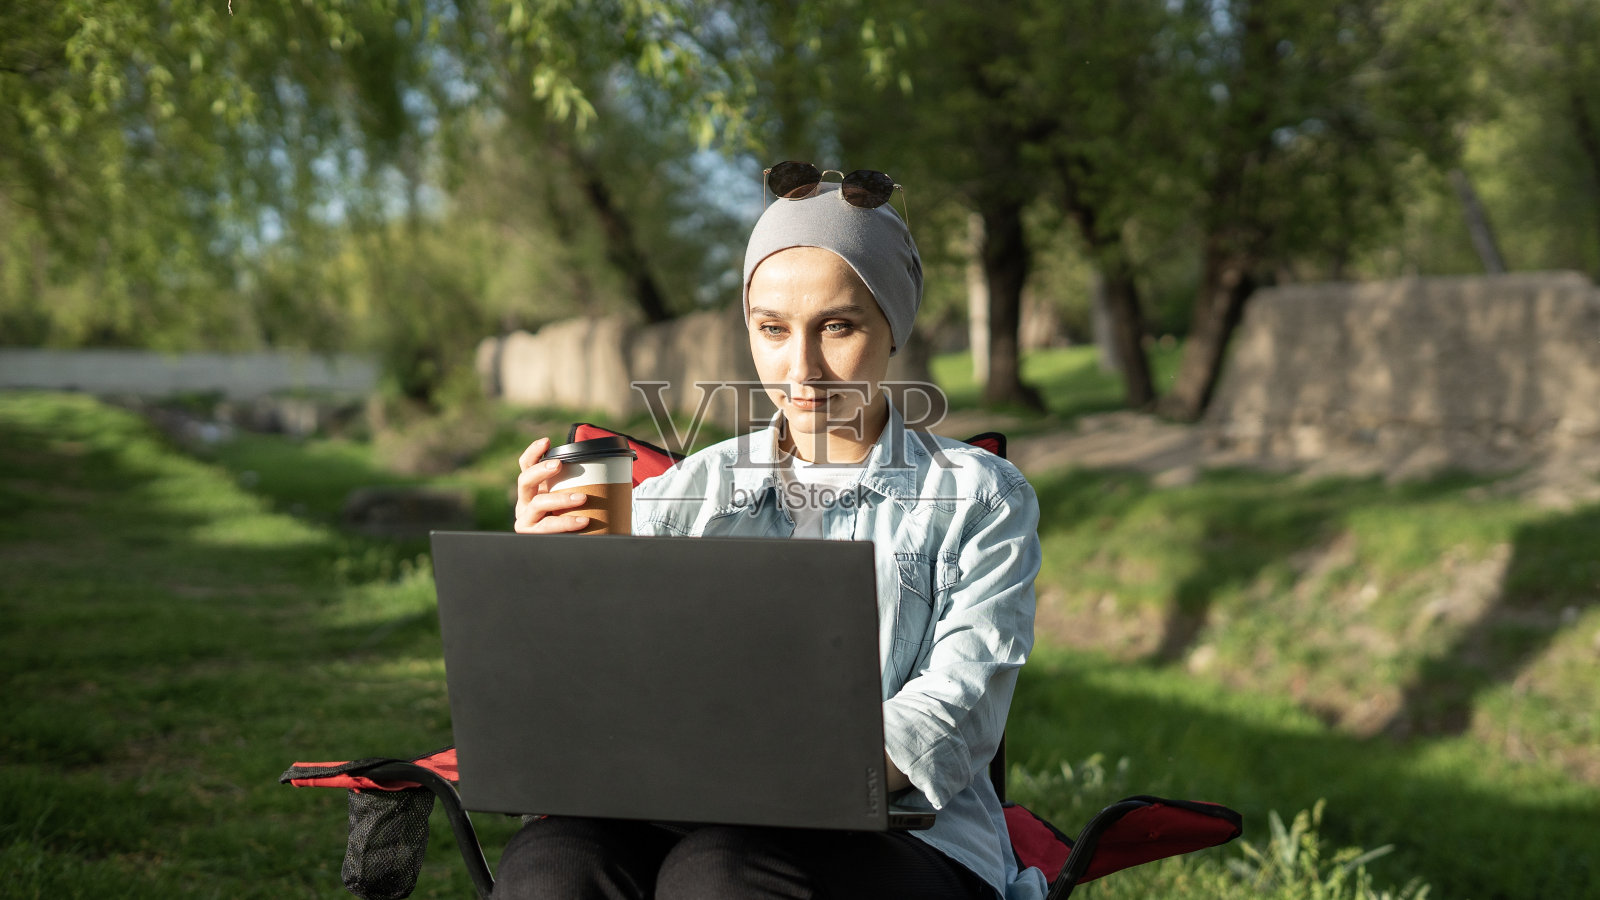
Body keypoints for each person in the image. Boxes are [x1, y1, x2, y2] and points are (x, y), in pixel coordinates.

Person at [506, 165, 1045, 900]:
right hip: (683, 807)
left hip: (905, 831)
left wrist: (774, 778)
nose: (803, 369)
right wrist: (548, 584)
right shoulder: (683, 494)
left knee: (720, 871)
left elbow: (957, 709)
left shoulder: (979, 496)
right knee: (552, 864)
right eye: (772, 329)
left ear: (894, 327)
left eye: (838, 326)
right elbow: (600, 691)